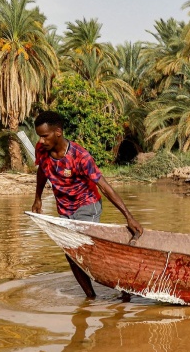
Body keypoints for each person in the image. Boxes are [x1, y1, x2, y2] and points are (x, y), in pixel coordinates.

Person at [31, 110, 143, 298]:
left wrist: (129, 217)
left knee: (87, 249)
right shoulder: (41, 149)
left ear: (58, 132)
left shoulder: (80, 156)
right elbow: (42, 170)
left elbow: (105, 187)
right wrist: (38, 198)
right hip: (64, 209)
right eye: (39, 137)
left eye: (44, 136)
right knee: (70, 254)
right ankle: (90, 297)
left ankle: (124, 288)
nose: (41, 141)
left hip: (87, 204)